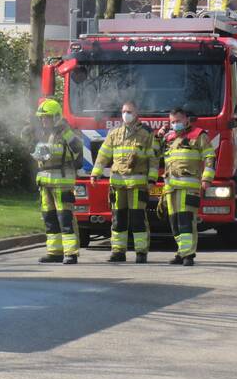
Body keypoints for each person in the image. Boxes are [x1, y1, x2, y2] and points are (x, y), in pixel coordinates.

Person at [90, 101, 158, 263]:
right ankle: (118, 251)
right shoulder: (114, 133)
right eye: (124, 111)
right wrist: (95, 173)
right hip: (118, 184)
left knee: (137, 218)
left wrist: (152, 179)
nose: (125, 114)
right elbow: (103, 155)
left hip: (137, 184)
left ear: (136, 114)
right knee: (118, 218)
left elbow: (153, 159)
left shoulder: (147, 134)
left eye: (129, 111)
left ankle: (141, 252)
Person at [160, 107, 215, 266]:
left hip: (189, 186)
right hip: (171, 187)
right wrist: (160, 134)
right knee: (174, 221)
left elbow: (210, 156)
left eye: (178, 121)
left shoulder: (198, 135)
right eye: (172, 122)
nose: (175, 124)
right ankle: (181, 251)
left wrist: (207, 178)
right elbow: (155, 153)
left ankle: (188, 255)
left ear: (186, 119)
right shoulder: (169, 138)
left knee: (186, 220)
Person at [33, 98, 83, 264]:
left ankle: (71, 253)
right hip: (45, 182)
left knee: (64, 218)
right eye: (41, 117)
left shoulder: (66, 132)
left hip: (62, 181)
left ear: (55, 116)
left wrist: (65, 132)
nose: (43, 120)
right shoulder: (43, 133)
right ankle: (54, 252)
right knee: (49, 218)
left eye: (46, 117)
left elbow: (77, 148)